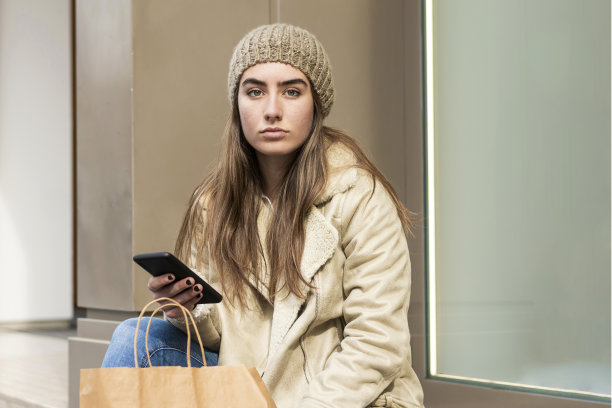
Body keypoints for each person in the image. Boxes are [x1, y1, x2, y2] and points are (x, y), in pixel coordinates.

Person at [102, 23, 425, 408]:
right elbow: (228, 338)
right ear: (237, 104)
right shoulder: (215, 202)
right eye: (254, 91)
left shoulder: (360, 196)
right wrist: (186, 310)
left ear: (316, 103)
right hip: (253, 386)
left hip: (342, 396)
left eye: (291, 91)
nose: (272, 110)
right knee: (132, 337)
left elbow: (378, 343)